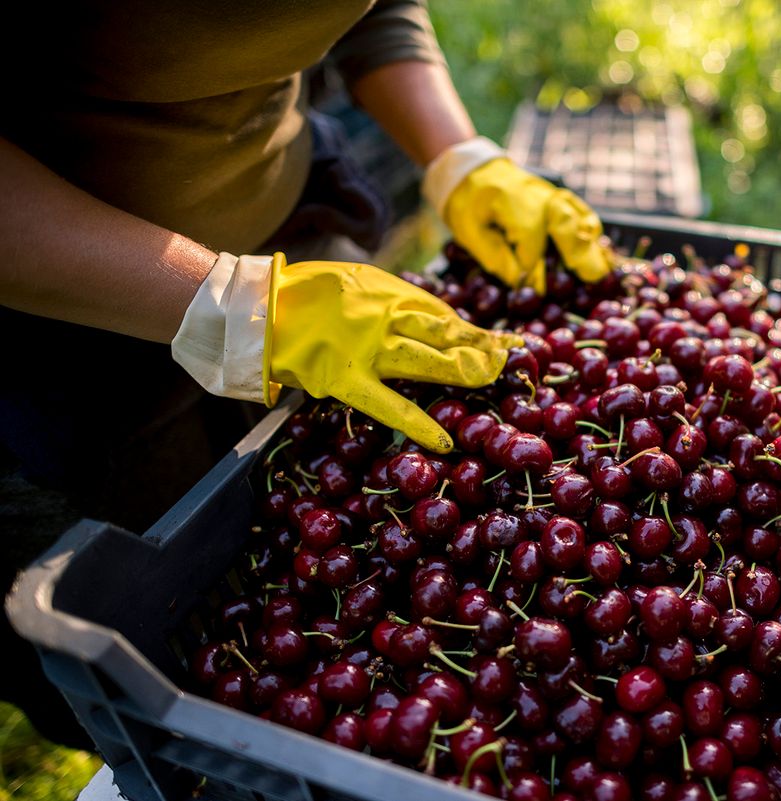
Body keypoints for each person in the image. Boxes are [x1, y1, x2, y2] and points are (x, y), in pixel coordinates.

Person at [0, 0, 610, 747]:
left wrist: (458, 154)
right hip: (67, 324)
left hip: (287, 237)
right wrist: (237, 305)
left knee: (292, 557)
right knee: (159, 661)